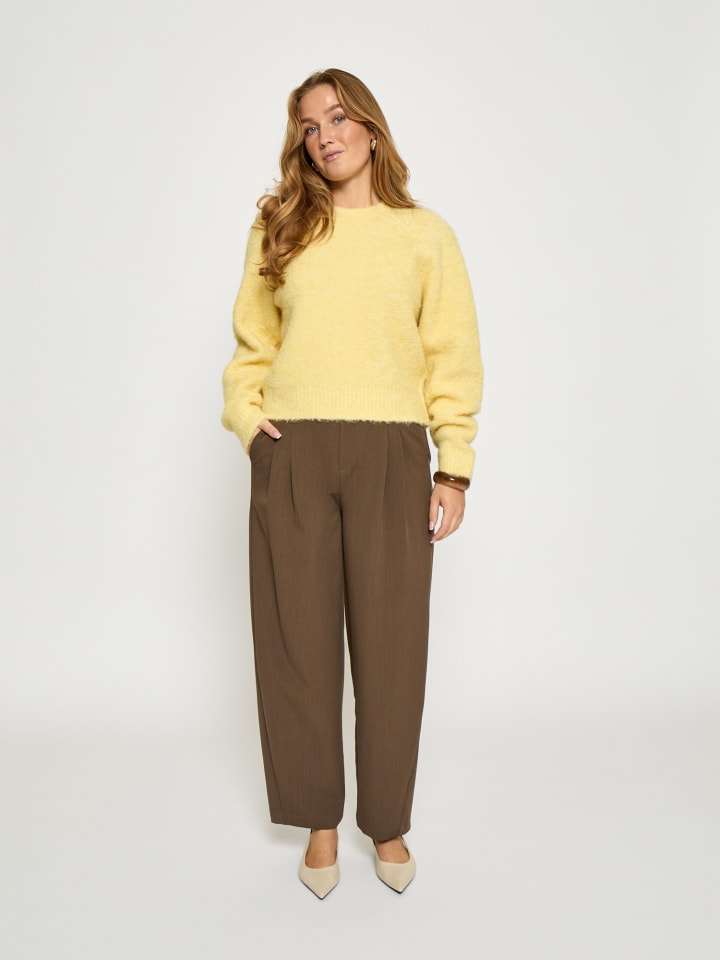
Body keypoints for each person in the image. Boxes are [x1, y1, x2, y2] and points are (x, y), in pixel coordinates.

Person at [221, 67, 483, 899]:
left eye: (338, 118)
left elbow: (451, 354)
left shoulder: (424, 235)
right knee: (295, 644)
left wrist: (453, 465)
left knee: (392, 647)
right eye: (309, 126)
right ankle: (320, 822)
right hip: (294, 449)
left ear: (370, 127)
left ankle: (388, 822)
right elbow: (252, 343)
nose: (325, 136)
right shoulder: (280, 226)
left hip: (391, 453)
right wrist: (248, 422)